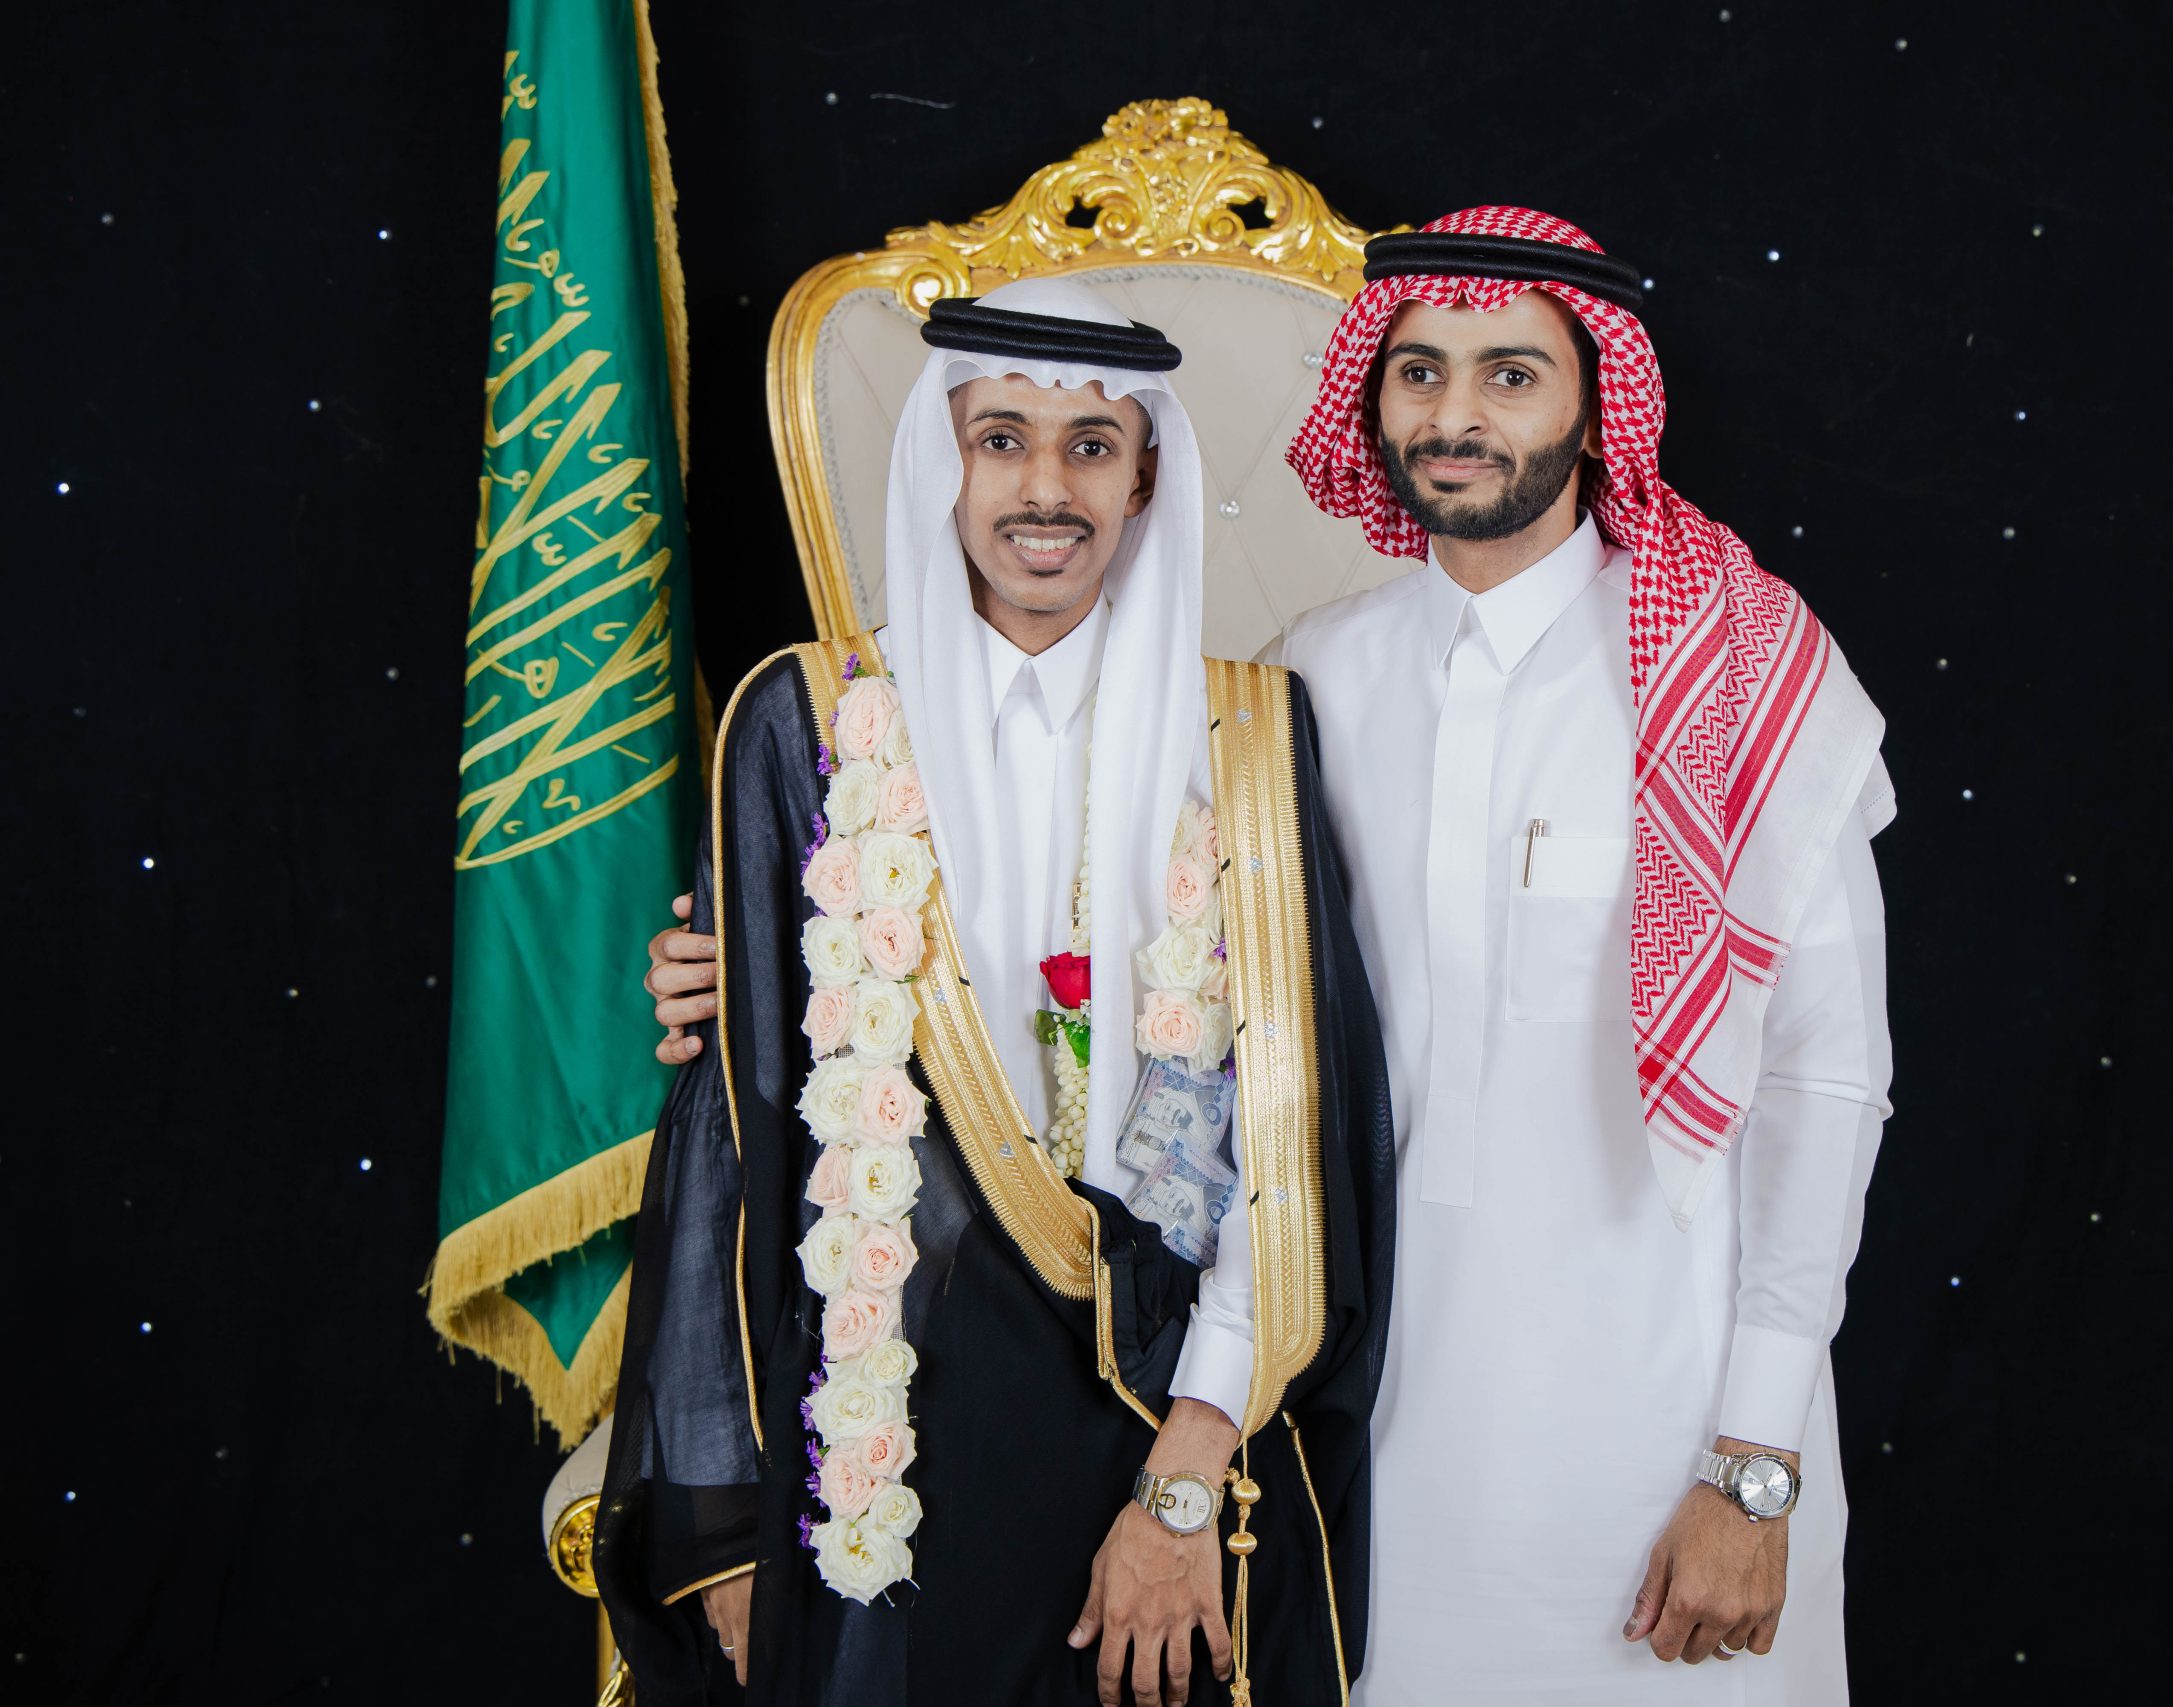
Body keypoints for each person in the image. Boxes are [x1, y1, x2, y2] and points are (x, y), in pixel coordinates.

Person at [599, 279, 1393, 1707]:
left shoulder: (1249, 741)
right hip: (887, 1418)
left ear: (1144, 479)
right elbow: (732, 1130)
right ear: (943, 462)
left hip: (1169, 1398)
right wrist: (725, 1529)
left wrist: (1188, 1476)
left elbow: (1299, 1138)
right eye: (1001, 439)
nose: (1045, 490)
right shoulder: (807, 724)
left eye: (1091, 446)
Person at [1267, 207, 1894, 1703]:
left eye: (1510, 374)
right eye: (1419, 372)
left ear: (1597, 406)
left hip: (1667, 1438)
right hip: (1374, 1428)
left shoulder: (1738, 669)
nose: (1456, 415)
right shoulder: (1311, 675)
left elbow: (1825, 1079)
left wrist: (1753, 1460)